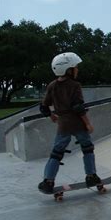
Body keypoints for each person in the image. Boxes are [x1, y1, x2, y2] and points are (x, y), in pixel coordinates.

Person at [38, 52, 104, 194]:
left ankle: (48, 181)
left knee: (56, 152)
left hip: (63, 124)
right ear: (68, 69)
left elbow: (43, 107)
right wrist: (88, 124)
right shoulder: (74, 85)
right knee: (87, 148)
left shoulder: (52, 85)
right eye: (75, 67)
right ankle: (91, 176)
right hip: (77, 123)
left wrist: (51, 116)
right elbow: (78, 107)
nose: (77, 70)